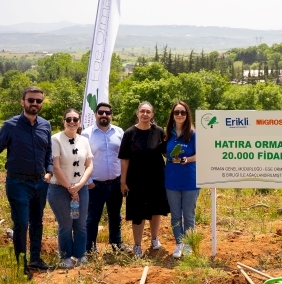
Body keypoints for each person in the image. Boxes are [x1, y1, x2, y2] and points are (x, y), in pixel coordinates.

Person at [0, 86, 53, 278]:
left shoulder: (45, 125)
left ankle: (36, 259)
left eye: (38, 101)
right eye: (31, 100)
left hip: (40, 183)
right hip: (18, 183)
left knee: (37, 222)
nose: (34, 104)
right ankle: (21, 264)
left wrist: (49, 171)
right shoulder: (9, 126)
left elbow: (49, 152)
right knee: (21, 223)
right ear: (23, 102)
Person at [118, 101, 169, 258]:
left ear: (152, 115)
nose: (145, 114)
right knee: (137, 213)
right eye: (142, 111)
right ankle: (137, 246)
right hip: (136, 180)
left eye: (148, 112)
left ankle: (154, 239)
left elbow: (167, 154)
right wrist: (123, 181)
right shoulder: (129, 134)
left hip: (156, 178)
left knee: (155, 210)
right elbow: (125, 159)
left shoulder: (159, 132)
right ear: (137, 113)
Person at [48, 109, 94, 268]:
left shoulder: (84, 140)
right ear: (64, 121)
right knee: (66, 224)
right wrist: (70, 188)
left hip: (81, 188)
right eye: (69, 119)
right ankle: (65, 257)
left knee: (81, 224)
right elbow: (56, 167)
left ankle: (80, 255)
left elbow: (89, 165)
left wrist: (79, 186)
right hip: (60, 189)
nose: (72, 122)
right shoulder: (56, 139)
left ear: (79, 122)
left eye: (75, 119)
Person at [83, 102, 128, 253]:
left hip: (115, 183)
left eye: (107, 113)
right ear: (95, 114)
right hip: (95, 184)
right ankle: (89, 246)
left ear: (111, 115)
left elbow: (124, 157)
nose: (104, 115)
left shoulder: (119, 132)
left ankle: (116, 243)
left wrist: (123, 180)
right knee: (92, 218)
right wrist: (88, 182)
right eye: (101, 112)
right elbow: (83, 159)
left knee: (115, 216)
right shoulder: (86, 134)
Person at [164, 100, 199, 259]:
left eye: (182, 112)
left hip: (191, 180)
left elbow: (202, 154)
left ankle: (188, 244)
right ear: (173, 115)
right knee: (176, 215)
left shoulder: (193, 134)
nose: (179, 115)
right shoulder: (168, 133)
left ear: (187, 115)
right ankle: (179, 243)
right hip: (171, 180)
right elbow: (165, 152)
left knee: (189, 215)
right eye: (176, 112)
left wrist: (189, 159)